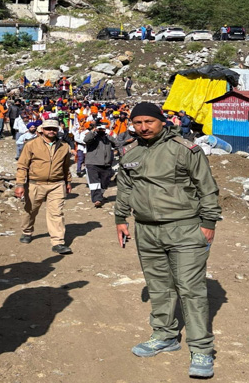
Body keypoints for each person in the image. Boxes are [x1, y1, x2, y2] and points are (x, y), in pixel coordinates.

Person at [115, 102, 221, 378]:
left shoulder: (185, 149)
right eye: (137, 122)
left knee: (190, 289)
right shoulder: (130, 152)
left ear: (162, 121)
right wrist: (120, 218)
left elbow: (207, 188)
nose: (143, 127)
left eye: (149, 121)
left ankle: (201, 349)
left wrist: (208, 223)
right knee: (158, 286)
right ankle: (164, 335)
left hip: (185, 228)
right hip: (146, 231)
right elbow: (125, 187)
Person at [15, 119, 73, 255]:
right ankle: (27, 231)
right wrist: (20, 184)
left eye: (54, 129)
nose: (51, 131)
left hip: (57, 184)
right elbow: (22, 165)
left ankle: (58, 242)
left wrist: (68, 181)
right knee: (30, 210)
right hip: (35, 184)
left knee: (56, 213)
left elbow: (66, 166)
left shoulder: (64, 146)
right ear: (42, 130)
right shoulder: (31, 144)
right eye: (48, 129)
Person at [83, 123, 117, 208]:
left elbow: (117, 143)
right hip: (93, 163)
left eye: (103, 129)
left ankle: (100, 195)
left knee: (105, 182)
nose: (101, 130)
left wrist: (108, 136)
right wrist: (93, 131)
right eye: (100, 129)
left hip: (106, 164)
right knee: (94, 182)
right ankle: (97, 199)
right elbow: (86, 139)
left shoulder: (108, 138)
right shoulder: (92, 137)